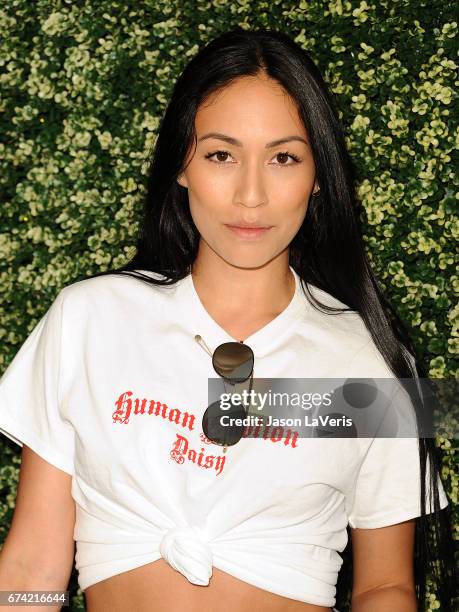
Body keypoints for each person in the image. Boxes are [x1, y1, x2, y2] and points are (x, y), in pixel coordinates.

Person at [0, 27, 455, 612]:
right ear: (181, 165)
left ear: (318, 177)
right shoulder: (90, 319)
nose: (250, 195)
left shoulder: (367, 359)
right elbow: (32, 563)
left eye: (283, 158)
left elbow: (385, 588)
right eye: (221, 154)